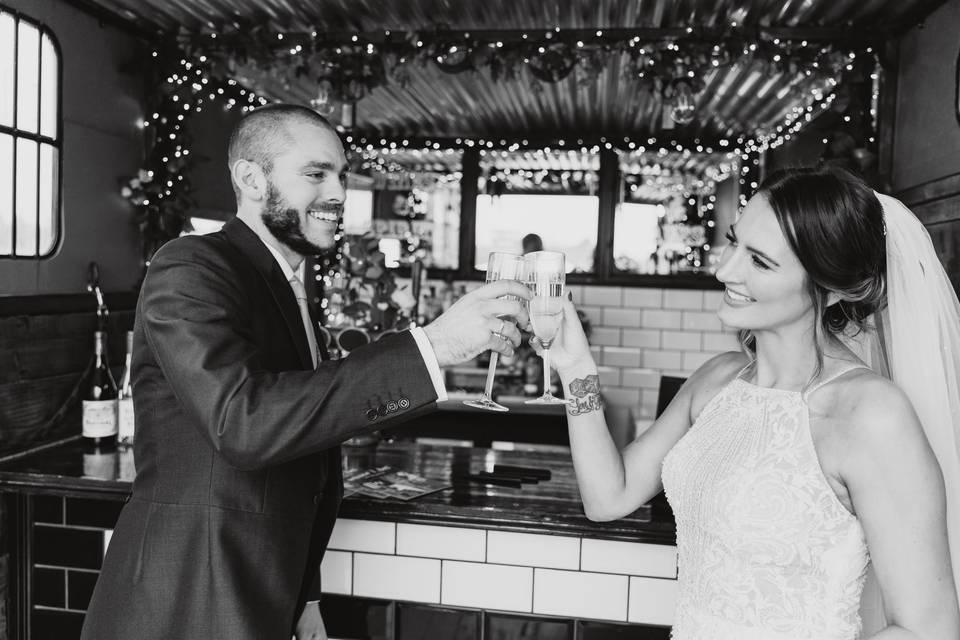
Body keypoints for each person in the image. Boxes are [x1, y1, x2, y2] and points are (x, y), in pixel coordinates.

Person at [80, 104, 529, 640]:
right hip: (189, 598)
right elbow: (245, 425)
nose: (338, 192)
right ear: (250, 178)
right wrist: (434, 345)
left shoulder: (294, 287)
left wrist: (304, 594)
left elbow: (303, 449)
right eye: (316, 174)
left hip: (266, 592)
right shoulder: (189, 266)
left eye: (341, 174)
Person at [541, 165, 960, 639]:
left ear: (833, 286)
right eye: (734, 241)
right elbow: (607, 497)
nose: (725, 269)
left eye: (760, 261)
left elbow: (929, 629)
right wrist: (576, 368)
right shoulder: (717, 380)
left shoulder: (871, 414)